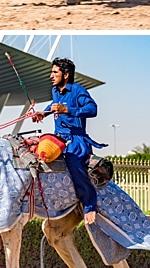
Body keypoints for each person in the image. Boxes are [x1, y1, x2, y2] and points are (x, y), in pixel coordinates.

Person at [31, 57, 106, 224]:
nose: (51, 75)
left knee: (72, 162)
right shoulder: (55, 91)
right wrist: (44, 113)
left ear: (66, 75)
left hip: (76, 140)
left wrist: (68, 110)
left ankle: (89, 204)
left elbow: (93, 109)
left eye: (54, 72)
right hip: (59, 137)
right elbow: (54, 104)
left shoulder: (78, 90)